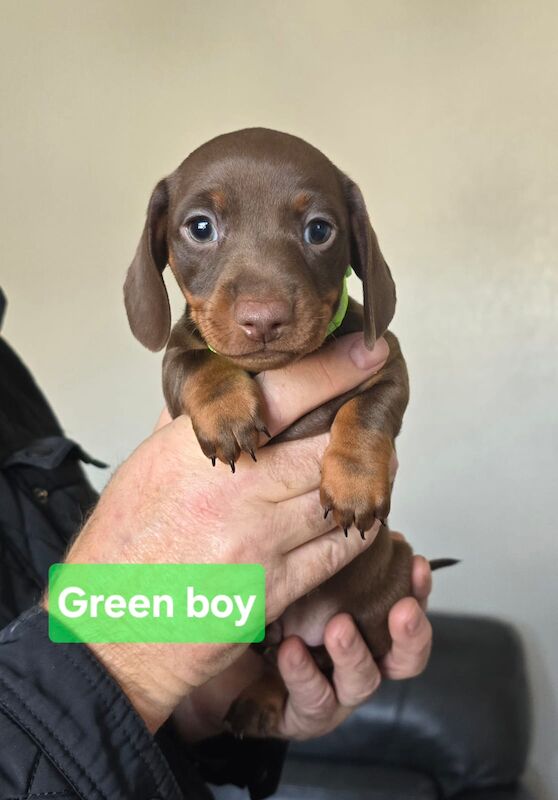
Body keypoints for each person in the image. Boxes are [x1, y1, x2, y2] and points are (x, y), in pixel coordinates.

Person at [0, 288, 433, 799]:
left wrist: (199, 699)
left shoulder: (5, 372)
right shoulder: (193, 343)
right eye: (201, 228)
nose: (262, 306)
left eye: (317, 230)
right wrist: (125, 649)